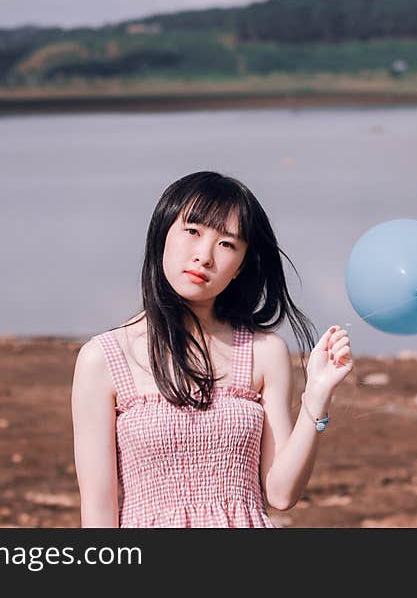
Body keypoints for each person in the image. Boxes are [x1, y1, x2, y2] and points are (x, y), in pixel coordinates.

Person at [71, 170, 353, 527]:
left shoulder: (264, 352)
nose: (204, 256)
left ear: (239, 267)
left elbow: (281, 495)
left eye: (227, 244)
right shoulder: (104, 358)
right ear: (162, 235)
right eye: (193, 232)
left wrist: (317, 394)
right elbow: (98, 510)